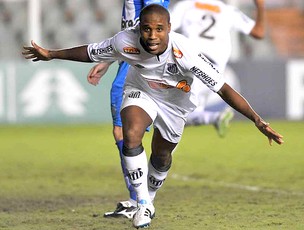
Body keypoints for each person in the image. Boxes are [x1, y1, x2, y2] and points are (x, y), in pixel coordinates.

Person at [22, 4, 283, 229]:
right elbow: (90, 51)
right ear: (139, 28)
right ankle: (142, 204)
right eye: (146, 28)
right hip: (141, 90)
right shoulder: (125, 40)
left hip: (175, 104)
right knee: (132, 134)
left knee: (161, 156)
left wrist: (257, 121)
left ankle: (150, 198)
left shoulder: (187, 53)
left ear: (169, 27)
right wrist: (52, 54)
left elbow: (224, 89)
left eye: (159, 29)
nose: (152, 35)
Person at [87, 0, 170, 219]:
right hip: (128, 61)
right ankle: (137, 199)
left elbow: (151, 26)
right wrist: (107, 60)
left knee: (129, 131)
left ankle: (140, 200)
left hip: (140, 64)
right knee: (123, 132)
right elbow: (131, 28)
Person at [170, 0, 265, 137]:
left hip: (191, 63)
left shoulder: (186, 5)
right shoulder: (228, 10)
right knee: (184, 116)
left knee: (172, 114)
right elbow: (259, 32)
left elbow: (165, 27)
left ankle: (215, 118)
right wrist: (260, 6)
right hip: (214, 69)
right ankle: (216, 118)